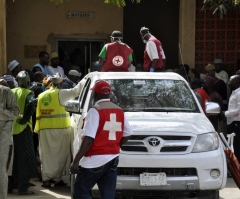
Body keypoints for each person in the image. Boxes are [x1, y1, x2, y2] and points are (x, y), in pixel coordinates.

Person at [70, 80, 132, 199]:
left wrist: (76, 161)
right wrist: (115, 144)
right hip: (113, 158)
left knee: (79, 191)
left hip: (94, 159)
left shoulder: (95, 110)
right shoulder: (119, 110)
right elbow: (128, 133)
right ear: (109, 94)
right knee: (108, 195)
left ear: (95, 94)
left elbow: (88, 140)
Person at [35, 73, 85, 187]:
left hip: (44, 129)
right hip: (60, 129)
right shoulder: (61, 93)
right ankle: (57, 178)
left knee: (46, 155)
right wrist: (85, 79)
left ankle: (47, 179)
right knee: (60, 155)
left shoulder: (42, 95)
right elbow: (76, 91)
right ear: (61, 83)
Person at [9, 71, 37, 195]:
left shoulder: (12, 91)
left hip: (11, 129)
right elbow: (31, 104)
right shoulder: (29, 93)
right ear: (28, 82)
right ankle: (23, 188)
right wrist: (26, 118)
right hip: (23, 129)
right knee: (25, 158)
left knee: (12, 159)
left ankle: (10, 186)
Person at [0, 79, 19, 199]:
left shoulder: (5, 92)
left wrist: (1, 112)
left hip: (3, 136)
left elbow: (15, 112)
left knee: (1, 169)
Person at [222, 75, 240, 162]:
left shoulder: (239, 93)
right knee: (231, 144)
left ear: (236, 82)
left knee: (236, 145)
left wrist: (226, 114)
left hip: (236, 123)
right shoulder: (234, 92)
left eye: (230, 81)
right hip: (231, 122)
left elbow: (239, 110)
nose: (228, 82)